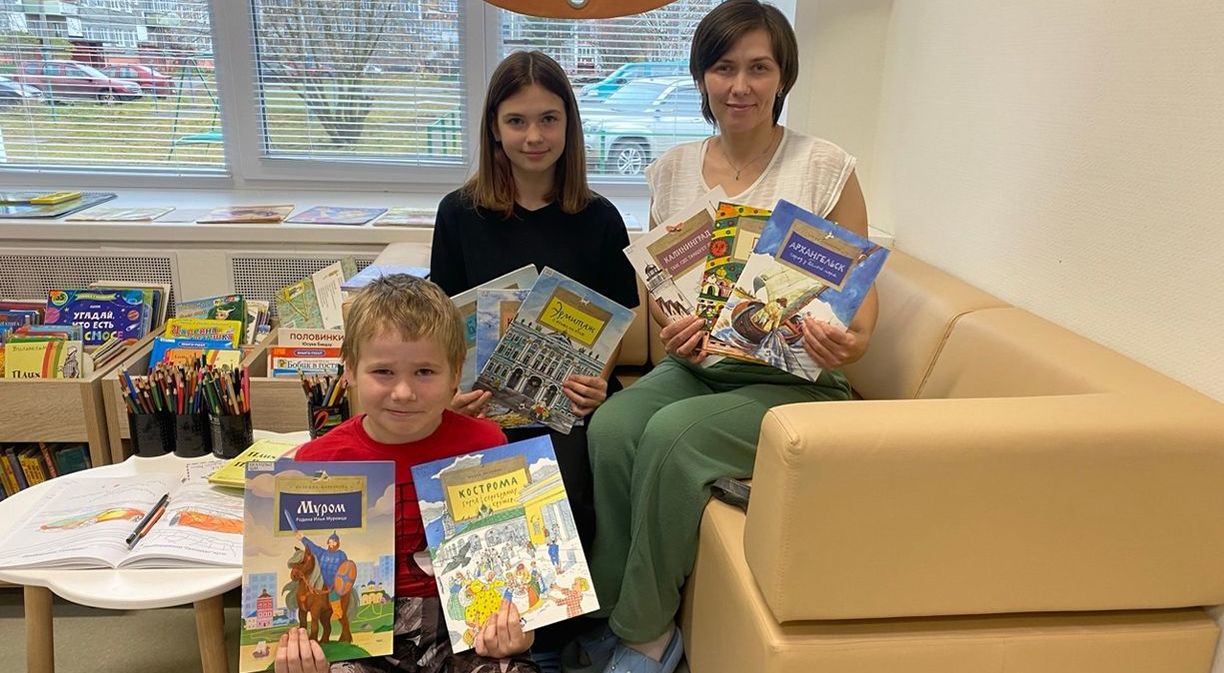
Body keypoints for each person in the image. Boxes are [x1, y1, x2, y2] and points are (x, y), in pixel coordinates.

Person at [583, 3, 881, 673]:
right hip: (702, 366)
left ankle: (647, 634)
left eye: (758, 68)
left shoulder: (824, 167)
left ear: (783, 77)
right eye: (723, 68)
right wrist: (676, 329)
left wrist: (850, 343)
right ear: (701, 76)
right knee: (612, 426)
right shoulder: (671, 170)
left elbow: (861, 309)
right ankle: (606, 609)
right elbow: (665, 290)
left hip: (796, 380)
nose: (740, 86)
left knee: (672, 436)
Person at [428, 50, 639, 672]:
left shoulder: (599, 218)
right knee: (477, 457)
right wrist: (451, 396)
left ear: (569, 124)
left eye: (549, 119)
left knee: (564, 460)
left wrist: (598, 382)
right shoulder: (458, 213)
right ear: (494, 128)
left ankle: (547, 640)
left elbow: (618, 323)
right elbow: (443, 320)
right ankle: (487, 627)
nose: (534, 136)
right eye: (517, 121)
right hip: (478, 396)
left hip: (568, 398)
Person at [275, 274, 538, 673]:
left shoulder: (487, 444)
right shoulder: (318, 462)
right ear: (350, 370)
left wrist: (518, 630)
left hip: (464, 627)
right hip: (366, 636)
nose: (403, 392)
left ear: (455, 374)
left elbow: (513, 569)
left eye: (425, 372)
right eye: (383, 372)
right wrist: (302, 656)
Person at [296, 531, 349, 600]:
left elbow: (346, 569)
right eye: (330, 541)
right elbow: (312, 547)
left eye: (334, 542)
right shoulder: (322, 553)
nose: (332, 543)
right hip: (321, 581)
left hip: (334, 585)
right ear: (328, 542)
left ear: (337, 543)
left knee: (334, 600)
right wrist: (303, 538)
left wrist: (337, 584)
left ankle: (336, 606)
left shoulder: (341, 555)